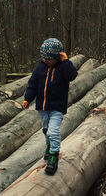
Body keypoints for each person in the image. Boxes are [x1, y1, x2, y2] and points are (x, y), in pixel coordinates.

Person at [22, 38, 78, 175]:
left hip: (57, 107)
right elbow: (32, 85)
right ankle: (49, 146)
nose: (46, 60)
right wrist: (27, 99)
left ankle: (54, 156)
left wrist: (66, 62)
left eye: (49, 58)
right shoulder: (39, 68)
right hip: (42, 107)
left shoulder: (63, 68)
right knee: (46, 131)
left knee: (53, 132)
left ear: (57, 57)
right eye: (44, 57)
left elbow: (72, 76)